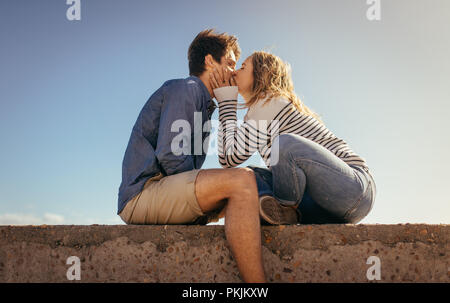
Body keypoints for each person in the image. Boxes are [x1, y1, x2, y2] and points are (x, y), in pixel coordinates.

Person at [117, 30, 266, 283]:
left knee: (258, 180)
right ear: (209, 61)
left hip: (163, 191)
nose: (233, 72)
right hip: (143, 193)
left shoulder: (206, 105)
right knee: (241, 181)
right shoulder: (188, 88)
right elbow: (172, 156)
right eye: (229, 63)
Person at [210, 51, 377, 225]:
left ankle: (283, 208)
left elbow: (229, 157)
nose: (235, 72)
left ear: (261, 74)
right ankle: (281, 211)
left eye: (243, 67)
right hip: (325, 207)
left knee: (284, 144)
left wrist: (226, 101)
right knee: (249, 175)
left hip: (355, 190)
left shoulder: (270, 101)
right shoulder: (259, 110)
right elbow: (228, 158)